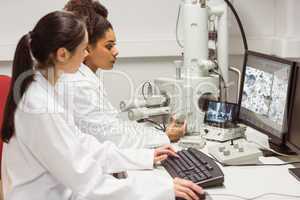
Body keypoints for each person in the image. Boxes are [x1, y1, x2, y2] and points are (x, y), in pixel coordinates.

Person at [1, 10, 204, 200]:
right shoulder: (41, 106)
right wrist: (164, 190)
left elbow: (84, 146)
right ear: (62, 54)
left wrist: (144, 157)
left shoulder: (46, 90)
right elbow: (87, 182)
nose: (85, 56)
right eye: (83, 49)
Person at [62, 0, 186, 149]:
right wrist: (165, 137)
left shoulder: (86, 78)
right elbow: (112, 137)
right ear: (86, 47)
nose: (116, 51)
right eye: (109, 46)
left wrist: (160, 135)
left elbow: (114, 127)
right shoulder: (79, 84)